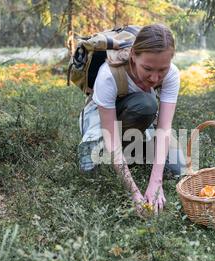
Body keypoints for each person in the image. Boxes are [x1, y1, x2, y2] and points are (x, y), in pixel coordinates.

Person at [78, 24, 186, 217]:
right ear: (133, 55)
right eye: (148, 68)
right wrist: (134, 192)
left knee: (179, 167)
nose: (155, 77)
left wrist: (156, 183)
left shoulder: (172, 75)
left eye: (162, 69)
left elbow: (164, 129)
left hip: (137, 123)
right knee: (91, 170)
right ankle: (105, 150)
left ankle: (132, 150)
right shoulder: (109, 75)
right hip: (103, 121)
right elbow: (111, 137)